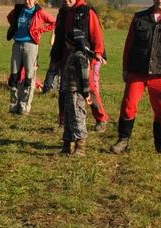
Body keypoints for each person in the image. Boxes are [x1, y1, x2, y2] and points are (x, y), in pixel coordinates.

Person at [111, 0, 161, 154]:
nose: (160, 0)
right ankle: (122, 141)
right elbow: (129, 45)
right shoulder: (139, 18)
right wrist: (125, 68)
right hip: (137, 71)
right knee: (128, 106)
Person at [50, 0, 109, 132]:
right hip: (65, 57)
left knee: (90, 89)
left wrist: (98, 53)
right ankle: (63, 122)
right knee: (64, 89)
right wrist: (55, 57)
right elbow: (58, 35)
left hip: (85, 57)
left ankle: (101, 119)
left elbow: (97, 34)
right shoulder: (62, 12)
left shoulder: (87, 11)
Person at [6, 0, 55, 115]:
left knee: (29, 76)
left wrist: (40, 30)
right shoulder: (18, 9)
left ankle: (24, 107)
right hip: (17, 44)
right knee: (14, 75)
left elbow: (54, 22)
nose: (27, 1)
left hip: (31, 45)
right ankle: (14, 106)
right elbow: (9, 17)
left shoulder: (40, 12)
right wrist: (14, 27)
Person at [57, 29, 96, 155]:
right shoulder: (73, 54)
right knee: (68, 119)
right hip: (68, 92)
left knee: (77, 118)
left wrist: (86, 93)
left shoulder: (80, 57)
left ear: (71, 42)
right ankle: (67, 145)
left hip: (76, 94)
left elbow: (85, 77)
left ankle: (80, 147)